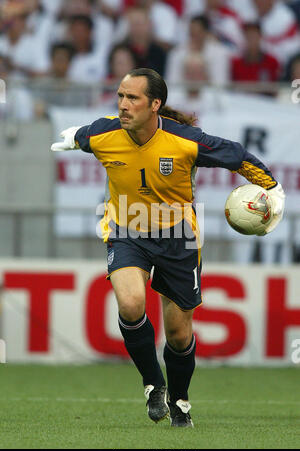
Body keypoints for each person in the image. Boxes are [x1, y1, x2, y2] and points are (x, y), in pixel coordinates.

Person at [51, 68, 285, 427]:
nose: (123, 105)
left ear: (155, 104)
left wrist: (272, 188)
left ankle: (180, 403)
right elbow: (83, 136)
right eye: (120, 96)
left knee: (178, 334)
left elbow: (236, 155)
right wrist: (72, 137)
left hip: (179, 238)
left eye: (133, 98)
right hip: (127, 228)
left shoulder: (185, 141)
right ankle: (152, 384)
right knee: (130, 303)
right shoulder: (102, 133)